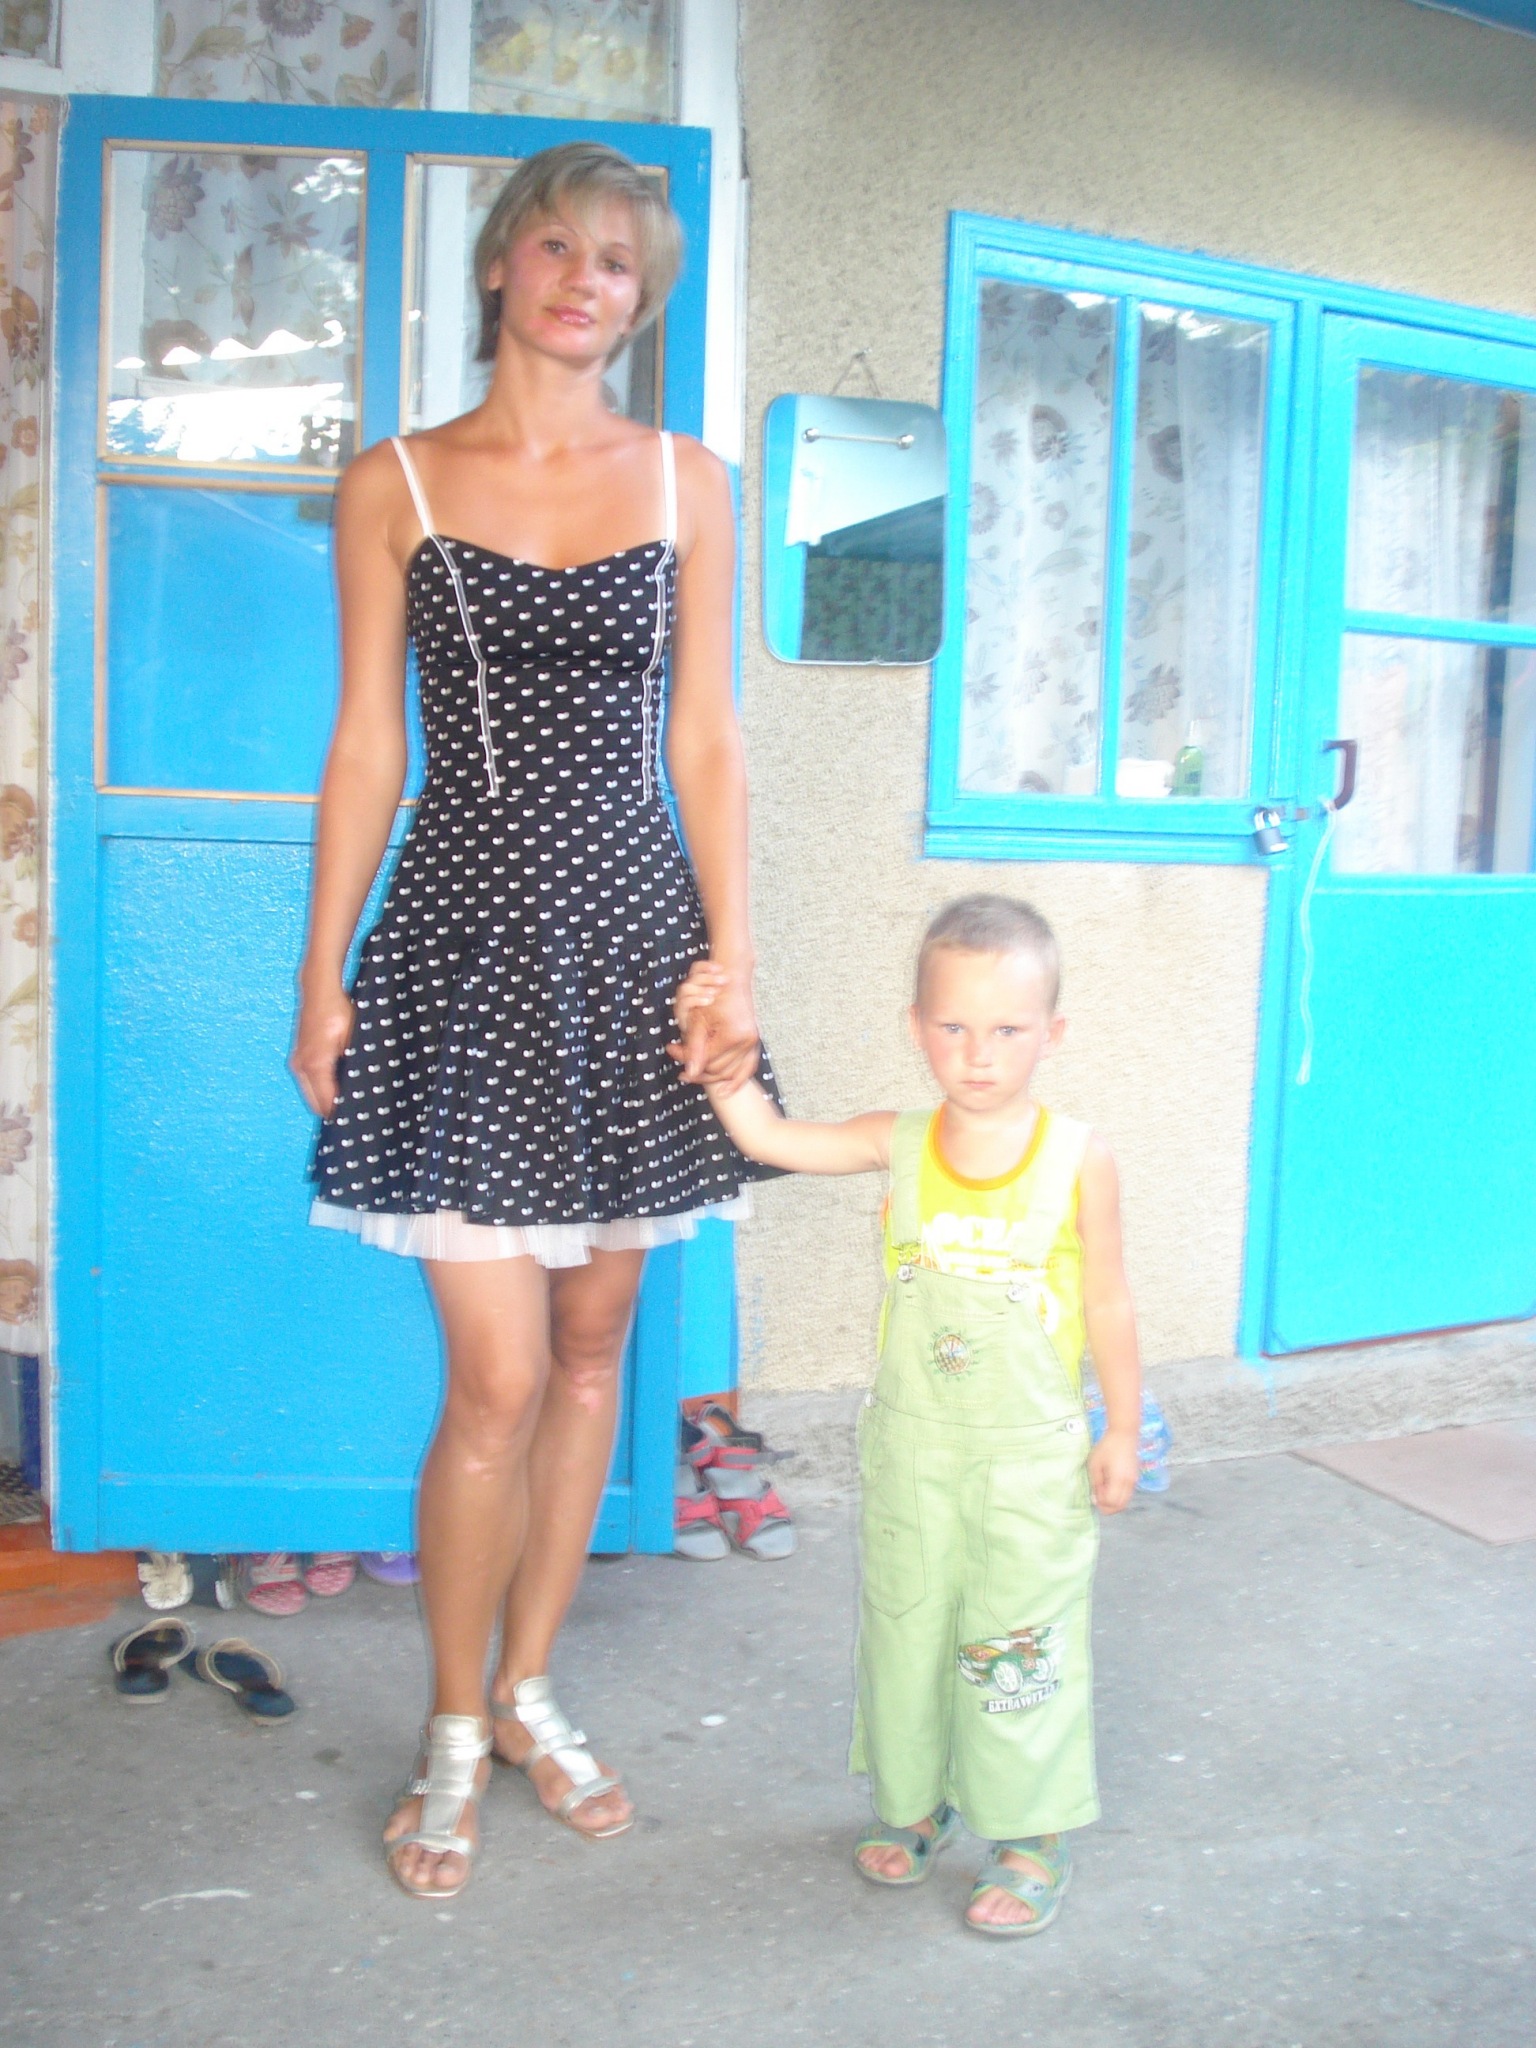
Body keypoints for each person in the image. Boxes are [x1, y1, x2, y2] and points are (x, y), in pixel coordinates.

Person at [289, 142, 775, 1902]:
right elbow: (369, 743)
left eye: (619, 261)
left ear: (642, 297)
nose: (587, 280)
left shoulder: (689, 481)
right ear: (502, 264)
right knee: (493, 1376)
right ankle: (446, 1724)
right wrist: (322, 970)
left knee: (592, 1350)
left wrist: (734, 963)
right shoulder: (396, 482)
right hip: (463, 946)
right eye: (559, 247)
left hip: (639, 947)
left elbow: (705, 740)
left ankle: (528, 1689)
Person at [675, 894, 1140, 1937]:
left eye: (1008, 1029)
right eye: (953, 1026)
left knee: (1017, 1641)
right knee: (908, 1630)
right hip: (915, 1454)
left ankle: (1031, 1832)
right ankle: (918, 1801)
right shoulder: (900, 1141)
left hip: (1030, 1464)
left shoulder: (1078, 1158)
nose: (979, 1054)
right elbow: (769, 1135)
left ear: (1054, 1032)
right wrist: (717, 1051)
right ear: (915, 1026)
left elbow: (1109, 1299)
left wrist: (1120, 1425)